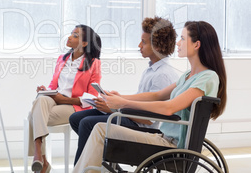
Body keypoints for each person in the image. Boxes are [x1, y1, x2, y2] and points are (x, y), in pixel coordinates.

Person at [72, 21, 227, 173]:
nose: (178, 43)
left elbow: (169, 107)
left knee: (100, 130)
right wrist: (121, 97)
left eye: (183, 38)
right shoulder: (188, 75)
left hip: (171, 145)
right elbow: (157, 95)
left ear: (196, 44)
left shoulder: (207, 78)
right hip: (164, 138)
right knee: (100, 128)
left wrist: (122, 103)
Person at [69, 17, 178, 164]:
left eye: (143, 42)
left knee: (87, 124)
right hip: (132, 118)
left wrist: (115, 109)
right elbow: (143, 99)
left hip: (141, 127)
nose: (139, 45)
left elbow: (150, 118)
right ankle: (95, 159)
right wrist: (119, 98)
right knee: (75, 119)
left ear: (157, 46)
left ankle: (84, 166)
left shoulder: (162, 75)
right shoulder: (151, 70)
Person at [28, 25, 102, 173]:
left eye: (75, 35)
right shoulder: (62, 59)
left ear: (85, 43)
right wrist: (46, 90)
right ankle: (39, 152)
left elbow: (92, 97)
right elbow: (53, 84)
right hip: (54, 99)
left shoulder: (94, 63)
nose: (69, 37)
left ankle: (41, 158)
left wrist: (65, 100)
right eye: (71, 33)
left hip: (73, 106)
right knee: (40, 100)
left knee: (33, 115)